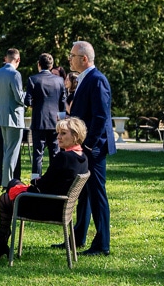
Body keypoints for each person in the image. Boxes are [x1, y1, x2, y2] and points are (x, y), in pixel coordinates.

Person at [0, 117, 90, 260]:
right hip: (61, 207)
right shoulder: (83, 157)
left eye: (63, 133)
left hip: (48, 208)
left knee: (5, 198)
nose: (58, 137)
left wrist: (34, 183)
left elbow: (43, 185)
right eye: (58, 133)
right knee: (13, 183)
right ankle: (2, 240)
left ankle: (2, 239)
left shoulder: (64, 157)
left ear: (76, 135)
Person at [67, 40, 115, 257]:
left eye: (72, 55)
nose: (69, 58)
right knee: (83, 193)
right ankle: (78, 237)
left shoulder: (97, 80)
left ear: (84, 59)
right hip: (85, 146)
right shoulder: (85, 79)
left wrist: (86, 145)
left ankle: (102, 243)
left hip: (94, 148)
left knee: (96, 193)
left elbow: (100, 117)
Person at [25, 53, 67, 177]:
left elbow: (27, 101)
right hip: (55, 122)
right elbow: (62, 101)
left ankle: (35, 180)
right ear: (51, 65)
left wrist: (35, 105)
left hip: (39, 121)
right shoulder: (59, 80)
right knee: (55, 152)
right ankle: (55, 179)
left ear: (39, 64)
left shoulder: (33, 79)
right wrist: (62, 120)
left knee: (38, 154)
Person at [0, 48, 25, 189]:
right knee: (12, 151)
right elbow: (19, 98)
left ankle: (7, 181)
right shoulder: (15, 74)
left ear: (6, 58)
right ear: (17, 60)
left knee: (7, 150)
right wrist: (30, 95)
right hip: (15, 118)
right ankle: (8, 183)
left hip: (2, 117)